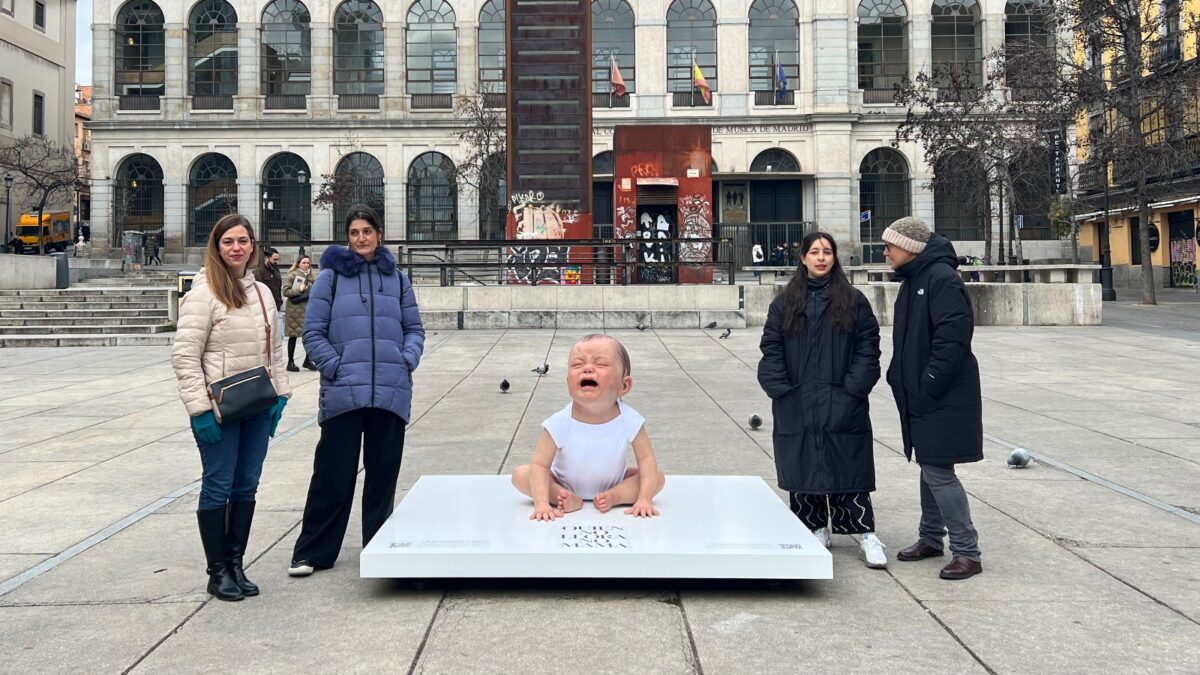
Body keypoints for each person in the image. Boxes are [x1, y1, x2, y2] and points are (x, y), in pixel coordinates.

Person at [289, 205, 425, 576]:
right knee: (333, 474)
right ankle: (313, 551)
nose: (361, 238)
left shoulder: (397, 279)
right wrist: (335, 367)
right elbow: (312, 332)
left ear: (379, 234)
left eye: (367, 231)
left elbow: (414, 328)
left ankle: (379, 547)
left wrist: (405, 359)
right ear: (346, 238)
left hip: (389, 390)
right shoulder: (330, 278)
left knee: (383, 476)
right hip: (344, 390)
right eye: (354, 232)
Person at [171, 213, 291, 601]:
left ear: (252, 246)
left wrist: (281, 396)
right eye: (228, 242)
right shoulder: (203, 294)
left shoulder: (261, 293)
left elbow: (274, 351)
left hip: (256, 403)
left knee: (247, 485)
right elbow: (185, 356)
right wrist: (198, 409)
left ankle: (236, 562)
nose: (236, 248)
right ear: (217, 248)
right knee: (218, 484)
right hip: (219, 407)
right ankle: (217, 569)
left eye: (243, 241)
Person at [757, 232, 886, 569]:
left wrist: (853, 389)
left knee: (848, 461)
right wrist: (781, 388)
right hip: (797, 399)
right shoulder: (785, 302)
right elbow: (771, 347)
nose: (821, 257)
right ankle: (814, 526)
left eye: (827, 252)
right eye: (814, 252)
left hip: (842, 397)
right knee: (804, 463)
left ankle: (865, 533)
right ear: (802, 258)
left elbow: (868, 347)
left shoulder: (853, 300)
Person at [882, 217, 984, 581]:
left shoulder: (940, 280)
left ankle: (967, 551)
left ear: (909, 249)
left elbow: (952, 341)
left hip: (942, 394)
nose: (886, 252)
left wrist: (928, 383)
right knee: (930, 463)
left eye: (890, 246)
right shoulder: (914, 280)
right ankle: (930, 537)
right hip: (921, 393)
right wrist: (900, 376)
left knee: (939, 470)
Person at [511, 334, 665, 520]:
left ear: (624, 385)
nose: (588, 369)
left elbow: (646, 459)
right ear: (568, 382)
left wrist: (644, 499)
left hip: (614, 482)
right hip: (563, 483)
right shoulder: (559, 422)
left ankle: (615, 496)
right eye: (577, 365)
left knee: (656, 477)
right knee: (520, 474)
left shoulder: (629, 419)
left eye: (601, 364)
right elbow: (540, 464)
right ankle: (562, 497)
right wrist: (542, 503)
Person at [282, 254, 317, 372]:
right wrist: (299, 289)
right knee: (293, 336)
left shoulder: (311, 276)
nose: (306, 265)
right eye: (304, 263)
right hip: (295, 310)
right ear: (298, 264)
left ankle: (308, 360)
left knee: (309, 336)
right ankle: (290, 362)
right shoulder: (292, 275)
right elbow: (286, 292)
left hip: (308, 309)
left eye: (308, 263)